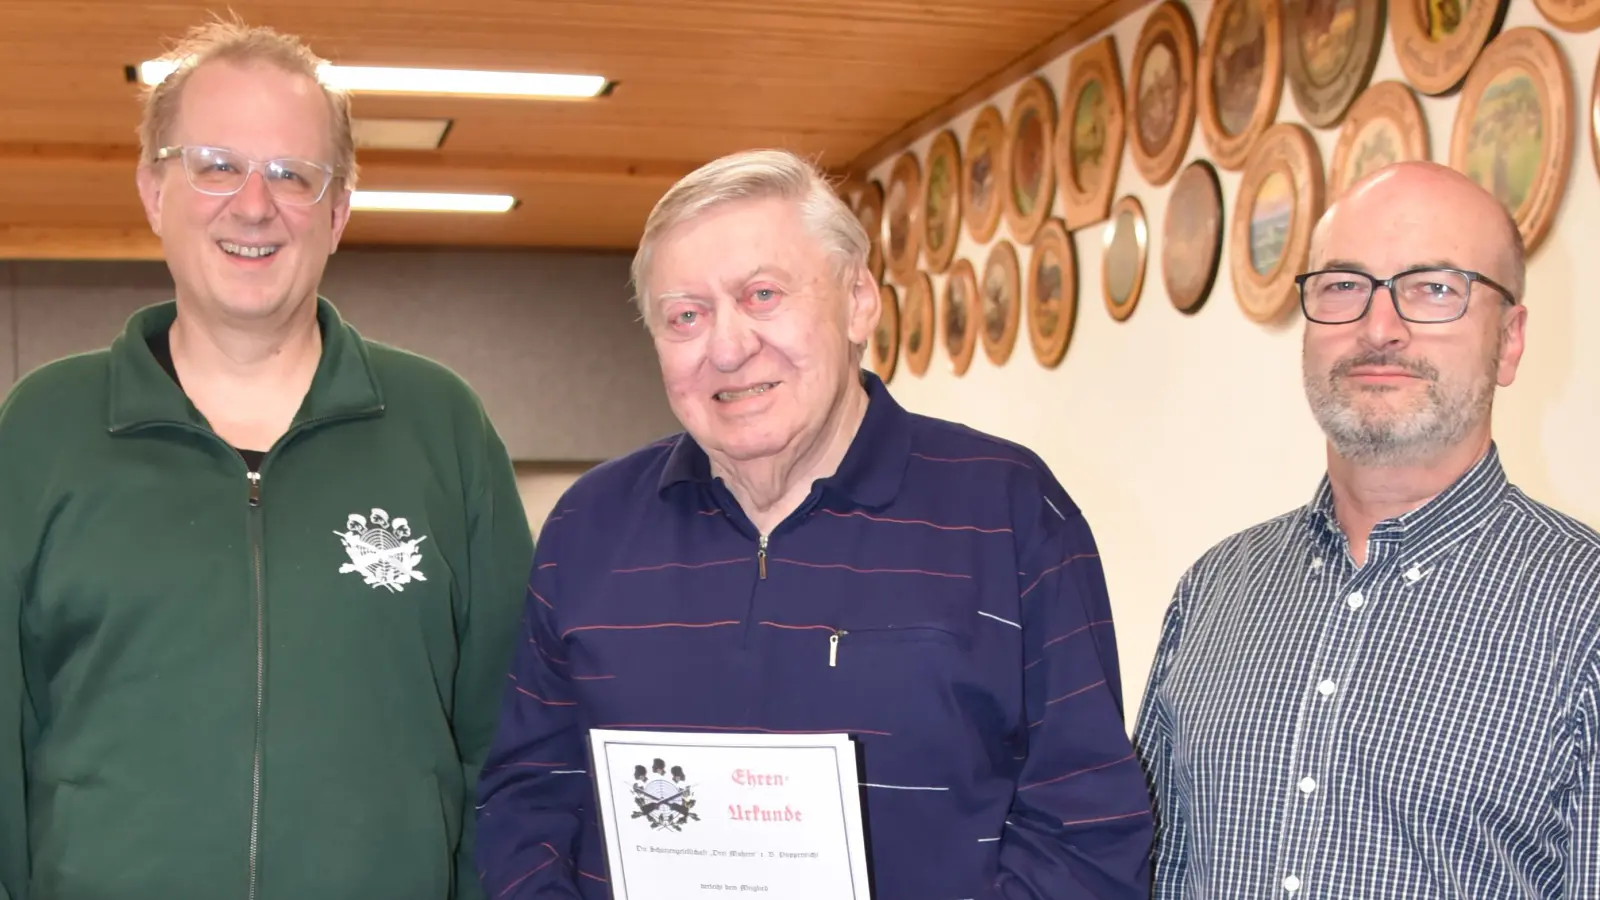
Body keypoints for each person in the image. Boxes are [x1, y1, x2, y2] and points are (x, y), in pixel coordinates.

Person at [474, 148, 1153, 899]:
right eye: (686, 316)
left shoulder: (1009, 509)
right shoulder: (588, 526)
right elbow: (528, 796)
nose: (727, 348)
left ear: (858, 299)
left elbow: (1084, 823)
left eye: (763, 294)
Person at [0, 20, 533, 900]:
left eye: (293, 174)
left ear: (339, 209)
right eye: (216, 164)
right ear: (153, 189)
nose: (254, 204)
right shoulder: (43, 430)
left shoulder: (443, 429)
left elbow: (508, 741)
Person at [1133, 160, 1600, 898]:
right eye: (1344, 286)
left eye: (1435, 289)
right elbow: (1147, 874)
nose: (1379, 327)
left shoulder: (1586, 612)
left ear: (1509, 341)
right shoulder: (1214, 590)